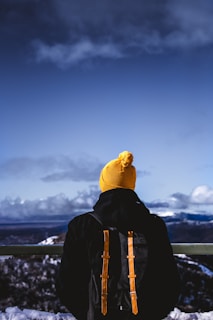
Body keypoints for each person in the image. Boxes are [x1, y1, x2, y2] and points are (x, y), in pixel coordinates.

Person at [56, 151, 180, 320]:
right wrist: (154, 315)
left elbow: (68, 281)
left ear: (104, 184)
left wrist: (86, 314)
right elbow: (169, 281)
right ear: (131, 184)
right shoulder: (154, 225)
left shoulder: (81, 225)